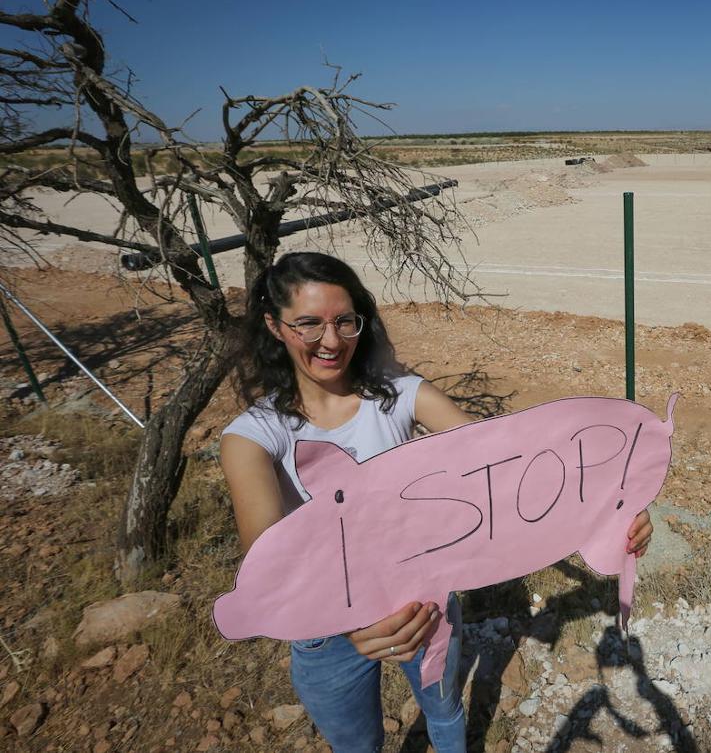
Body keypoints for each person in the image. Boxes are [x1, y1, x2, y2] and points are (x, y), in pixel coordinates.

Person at [219, 252, 652, 753]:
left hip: (422, 606)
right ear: (275, 326)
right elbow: (269, 566)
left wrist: (610, 500)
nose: (332, 341)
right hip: (325, 633)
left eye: (344, 321)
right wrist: (348, 619)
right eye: (308, 325)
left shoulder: (401, 396)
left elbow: (509, 463)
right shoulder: (254, 436)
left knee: (444, 712)